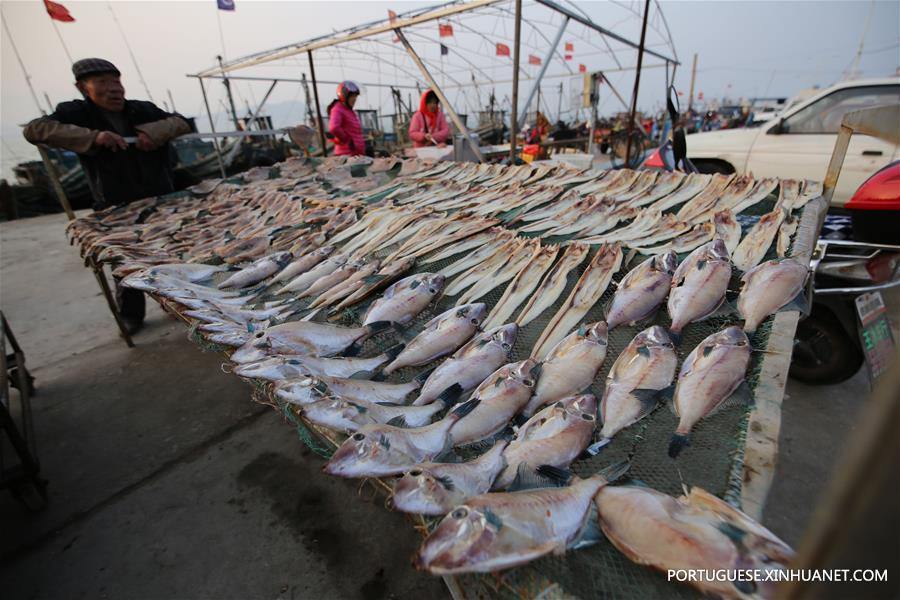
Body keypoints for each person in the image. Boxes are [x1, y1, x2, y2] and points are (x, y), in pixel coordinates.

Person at [24, 58, 191, 334]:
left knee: (170, 253)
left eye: (116, 81)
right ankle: (131, 315)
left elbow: (181, 122)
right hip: (114, 202)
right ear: (82, 87)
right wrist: (93, 137)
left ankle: (179, 303)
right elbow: (35, 129)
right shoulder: (76, 112)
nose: (114, 89)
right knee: (124, 261)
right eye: (102, 82)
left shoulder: (142, 109)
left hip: (161, 197)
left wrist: (155, 131)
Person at [326, 81, 366, 156]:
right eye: (352, 96)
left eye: (355, 96)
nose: (354, 99)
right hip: (346, 155)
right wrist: (347, 140)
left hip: (356, 155)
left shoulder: (349, 111)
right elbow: (334, 128)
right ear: (344, 96)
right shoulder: (337, 109)